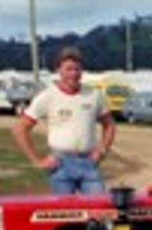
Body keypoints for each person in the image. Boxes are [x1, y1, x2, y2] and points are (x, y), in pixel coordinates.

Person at [13, 47, 116, 194]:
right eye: (68, 69)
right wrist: (36, 160)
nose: (73, 74)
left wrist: (102, 150)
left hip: (89, 163)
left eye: (77, 69)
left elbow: (109, 125)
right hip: (60, 164)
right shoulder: (48, 96)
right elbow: (20, 129)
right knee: (64, 214)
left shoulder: (94, 95)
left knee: (97, 211)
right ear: (58, 70)